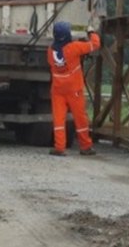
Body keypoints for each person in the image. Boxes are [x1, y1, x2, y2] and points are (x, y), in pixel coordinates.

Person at [46, 21, 101, 156]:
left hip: (58, 89)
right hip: (74, 89)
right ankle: (85, 146)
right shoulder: (74, 48)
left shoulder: (50, 51)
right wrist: (91, 33)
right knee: (80, 117)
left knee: (59, 119)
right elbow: (95, 44)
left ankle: (59, 147)